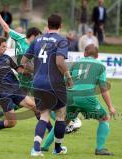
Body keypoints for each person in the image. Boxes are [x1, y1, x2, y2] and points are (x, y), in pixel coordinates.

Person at [41, 44, 116, 156]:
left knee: (62, 121)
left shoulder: (75, 64)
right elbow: (104, 89)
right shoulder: (101, 66)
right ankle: (100, 149)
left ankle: (45, 146)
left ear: (84, 53)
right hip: (86, 96)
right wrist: (110, 106)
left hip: (70, 96)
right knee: (104, 118)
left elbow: (66, 81)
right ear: (97, 55)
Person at [21, 14, 73, 156]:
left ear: (48, 25)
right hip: (55, 83)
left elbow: (23, 61)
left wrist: (36, 70)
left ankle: (36, 148)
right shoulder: (61, 40)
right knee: (61, 115)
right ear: (60, 26)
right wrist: (68, 76)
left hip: (38, 82)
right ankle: (57, 149)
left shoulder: (37, 40)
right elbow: (59, 62)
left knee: (44, 115)